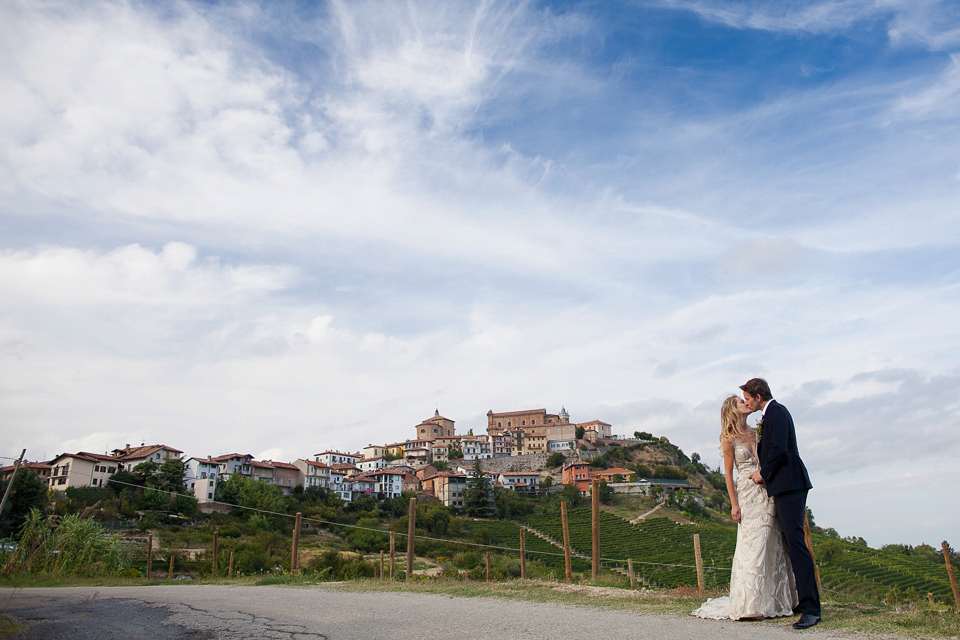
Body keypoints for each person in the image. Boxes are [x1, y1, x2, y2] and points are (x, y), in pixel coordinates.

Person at [692, 395, 797, 621]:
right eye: (741, 401)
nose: (746, 403)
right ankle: (750, 603)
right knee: (753, 543)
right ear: (733, 409)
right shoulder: (729, 439)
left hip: (766, 489)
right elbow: (728, 475)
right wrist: (734, 503)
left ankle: (776, 598)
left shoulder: (757, 431)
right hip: (747, 493)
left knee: (773, 540)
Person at [742, 377, 822, 630]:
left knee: (796, 544)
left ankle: (812, 609)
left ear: (757, 396)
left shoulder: (777, 411)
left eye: (747, 399)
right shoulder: (771, 413)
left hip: (790, 483)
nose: (745, 403)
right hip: (786, 485)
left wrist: (763, 474)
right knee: (791, 544)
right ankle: (803, 601)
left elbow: (779, 450)